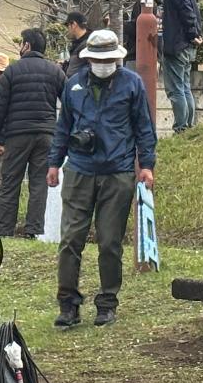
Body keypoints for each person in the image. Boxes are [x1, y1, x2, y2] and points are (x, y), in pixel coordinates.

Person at [47, 28, 156, 329]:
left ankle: (107, 302)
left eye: (108, 58)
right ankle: (67, 304)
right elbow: (63, 127)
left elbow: (144, 128)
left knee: (110, 242)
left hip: (117, 172)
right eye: (98, 58)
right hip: (79, 169)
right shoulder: (73, 85)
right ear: (89, 58)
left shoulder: (132, 84)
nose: (103, 63)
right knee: (70, 240)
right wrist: (54, 163)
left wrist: (146, 165)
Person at [0, 28, 61, 238]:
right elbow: (71, 102)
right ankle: (33, 230)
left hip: (17, 134)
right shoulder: (54, 71)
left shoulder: (12, 71)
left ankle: (4, 229)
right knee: (39, 183)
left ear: (26, 45)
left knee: (10, 181)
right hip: (47, 134)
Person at [154, 0, 203, 132]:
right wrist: (196, 34)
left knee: (175, 90)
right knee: (184, 87)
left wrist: (191, 33)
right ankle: (188, 126)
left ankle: (181, 127)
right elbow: (192, 12)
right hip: (187, 45)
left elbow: (186, 11)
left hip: (177, 45)